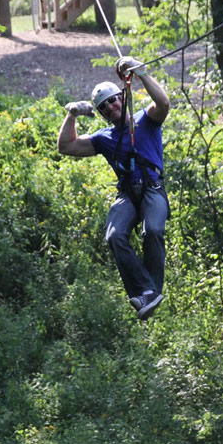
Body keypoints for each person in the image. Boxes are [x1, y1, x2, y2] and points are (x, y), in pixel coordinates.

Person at [57, 56, 170, 320]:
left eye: (112, 100)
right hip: (127, 194)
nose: (110, 107)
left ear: (122, 97)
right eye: (104, 107)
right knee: (114, 235)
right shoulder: (103, 138)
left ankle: (151, 291)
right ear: (101, 113)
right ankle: (145, 291)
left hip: (152, 188)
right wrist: (71, 114)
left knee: (153, 230)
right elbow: (66, 147)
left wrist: (140, 72)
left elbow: (163, 103)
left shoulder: (146, 120)